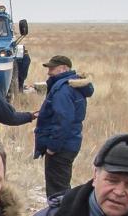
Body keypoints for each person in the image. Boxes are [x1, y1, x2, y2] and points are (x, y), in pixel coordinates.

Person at [33, 56, 94, 200]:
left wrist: (53, 147)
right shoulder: (72, 86)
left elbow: (63, 120)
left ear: (64, 68)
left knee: (57, 191)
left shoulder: (63, 90)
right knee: (62, 185)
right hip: (70, 143)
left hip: (61, 147)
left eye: (52, 68)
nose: (49, 72)